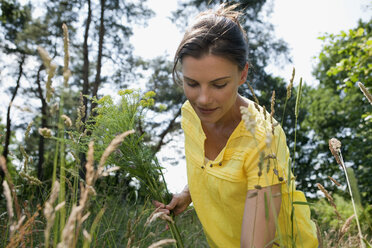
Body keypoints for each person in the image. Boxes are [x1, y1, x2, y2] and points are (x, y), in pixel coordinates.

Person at [154, 4, 318, 248]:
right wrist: (188, 194)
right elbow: (215, 166)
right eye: (192, 83)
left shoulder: (263, 139)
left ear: (243, 74)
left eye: (219, 84)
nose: (203, 99)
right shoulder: (189, 115)